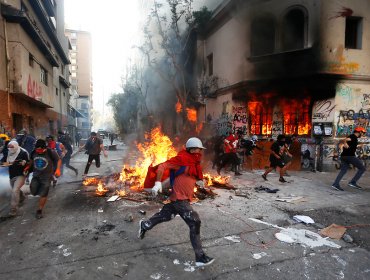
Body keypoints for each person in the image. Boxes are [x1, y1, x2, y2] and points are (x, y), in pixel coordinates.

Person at [138, 137, 215, 267]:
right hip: (180, 199)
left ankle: (145, 225)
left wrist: (198, 181)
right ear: (191, 149)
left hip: (180, 198)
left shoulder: (194, 163)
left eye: (200, 150)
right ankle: (200, 257)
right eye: (198, 149)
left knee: (165, 216)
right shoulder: (181, 159)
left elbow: (189, 175)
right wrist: (157, 183)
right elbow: (162, 166)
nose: (200, 152)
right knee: (195, 222)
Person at [27, 139, 61, 219]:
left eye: (41, 150)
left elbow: (58, 160)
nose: (39, 151)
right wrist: (27, 168)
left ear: (45, 148)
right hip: (36, 176)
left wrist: (58, 169)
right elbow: (31, 161)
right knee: (33, 191)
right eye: (37, 149)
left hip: (47, 177)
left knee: (43, 193)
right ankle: (39, 192)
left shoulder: (51, 152)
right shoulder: (33, 152)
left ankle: (39, 210)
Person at [331, 127, 367, 191]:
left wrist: (359, 146)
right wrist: (345, 143)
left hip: (344, 156)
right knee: (362, 168)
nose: (362, 134)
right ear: (359, 132)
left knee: (343, 170)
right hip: (349, 156)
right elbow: (344, 139)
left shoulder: (354, 138)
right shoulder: (353, 136)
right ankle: (352, 182)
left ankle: (335, 184)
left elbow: (350, 145)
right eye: (362, 133)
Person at [1, 141, 29, 216]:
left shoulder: (23, 152)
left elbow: (29, 163)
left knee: (14, 190)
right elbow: (3, 161)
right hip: (12, 175)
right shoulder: (8, 152)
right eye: (9, 147)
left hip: (21, 174)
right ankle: (22, 197)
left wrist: (24, 163)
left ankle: (13, 209)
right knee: (16, 189)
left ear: (16, 146)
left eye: (12, 147)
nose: (10, 149)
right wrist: (3, 163)